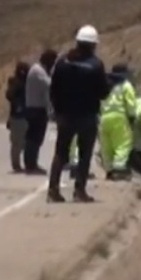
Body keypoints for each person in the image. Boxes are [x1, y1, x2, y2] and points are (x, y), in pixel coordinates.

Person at [47, 25, 111, 203]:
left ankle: (53, 190)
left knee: (61, 153)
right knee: (84, 154)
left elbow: (54, 90)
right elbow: (104, 92)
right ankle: (79, 191)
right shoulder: (96, 65)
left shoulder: (62, 62)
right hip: (87, 116)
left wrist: (58, 110)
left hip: (65, 115)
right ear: (93, 45)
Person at [99, 64, 138, 180]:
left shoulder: (105, 85)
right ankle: (119, 169)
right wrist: (132, 118)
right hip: (119, 116)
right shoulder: (125, 85)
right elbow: (131, 104)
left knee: (107, 146)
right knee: (123, 143)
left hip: (104, 118)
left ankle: (109, 170)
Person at [23, 49, 58, 174]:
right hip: (35, 109)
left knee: (36, 138)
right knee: (34, 138)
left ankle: (32, 163)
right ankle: (30, 165)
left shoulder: (41, 70)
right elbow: (49, 85)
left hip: (38, 108)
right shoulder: (38, 70)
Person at [5, 61, 30, 172]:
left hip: (22, 115)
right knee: (17, 143)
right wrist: (18, 105)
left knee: (22, 142)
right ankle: (16, 165)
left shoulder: (24, 82)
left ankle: (19, 164)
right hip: (17, 116)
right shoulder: (17, 83)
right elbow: (10, 95)